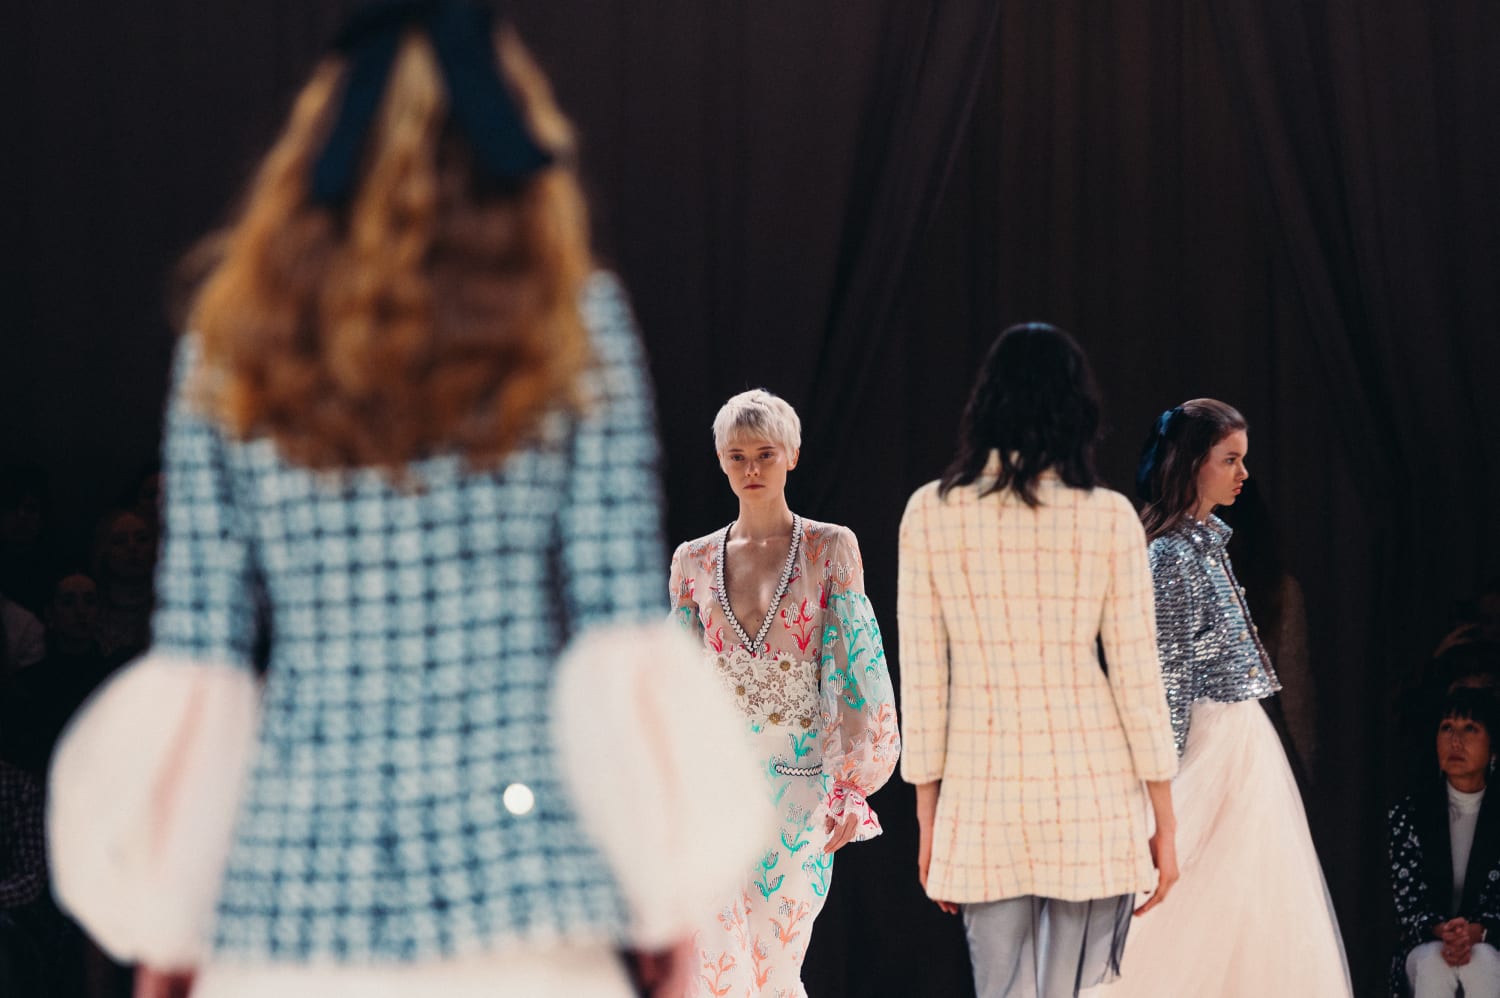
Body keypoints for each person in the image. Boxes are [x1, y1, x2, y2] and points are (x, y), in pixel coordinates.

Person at [47, 4, 762, 997]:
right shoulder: (572, 327)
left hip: (287, 904)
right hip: (525, 898)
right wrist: (662, 905)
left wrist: (170, 933)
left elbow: (200, 655)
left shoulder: (234, 340)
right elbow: (616, 635)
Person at [898, 323, 1180, 998]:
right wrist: (1166, 824)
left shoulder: (931, 513)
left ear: (986, 402)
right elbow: (1138, 682)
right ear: (1076, 407)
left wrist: (928, 821)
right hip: (1092, 788)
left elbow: (926, 684)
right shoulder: (1108, 517)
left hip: (981, 790)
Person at [1097, 398, 1351, 996]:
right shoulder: (1171, 556)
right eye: (1229, 460)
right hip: (1211, 751)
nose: (1242, 474)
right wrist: (1163, 788)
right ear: (1191, 463)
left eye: (1243, 460)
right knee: (1195, 914)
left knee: (1248, 915)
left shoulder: (1201, 545)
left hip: (1240, 748)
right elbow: (1169, 679)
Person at [667, 388, 900, 998]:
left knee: (775, 961)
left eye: (765, 454)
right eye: (737, 455)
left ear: (792, 456)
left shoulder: (830, 547)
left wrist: (852, 783)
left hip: (798, 785)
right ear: (720, 459)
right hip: (713, 788)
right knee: (713, 962)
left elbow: (858, 668)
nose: (751, 469)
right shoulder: (693, 561)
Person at [1388, 687, 1500, 998]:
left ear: (1494, 749)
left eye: (1470, 729)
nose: (1455, 741)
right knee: (1434, 961)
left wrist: (1480, 932)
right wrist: (1443, 932)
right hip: (1426, 944)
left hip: (1493, 946)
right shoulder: (1408, 815)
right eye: (1447, 728)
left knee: (1483, 960)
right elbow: (1405, 905)